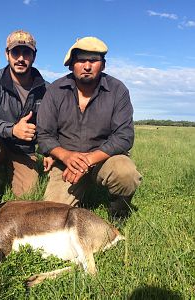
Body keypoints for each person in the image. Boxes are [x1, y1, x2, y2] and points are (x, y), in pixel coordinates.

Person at [37, 36, 142, 220]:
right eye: (81, 60)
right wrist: (65, 156)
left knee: (126, 173)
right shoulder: (55, 90)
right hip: (67, 162)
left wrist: (88, 160)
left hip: (103, 158)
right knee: (52, 215)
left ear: (103, 64)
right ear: (71, 65)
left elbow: (124, 136)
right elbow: (44, 134)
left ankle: (118, 217)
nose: (87, 66)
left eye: (93, 60)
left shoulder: (118, 90)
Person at [0, 30, 48, 208]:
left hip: (24, 152)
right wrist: (12, 129)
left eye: (26, 52)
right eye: (16, 52)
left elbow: (51, 127)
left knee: (28, 197)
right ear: (7, 54)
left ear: (34, 56)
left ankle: (11, 172)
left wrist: (49, 152)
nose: (21, 58)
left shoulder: (46, 89)